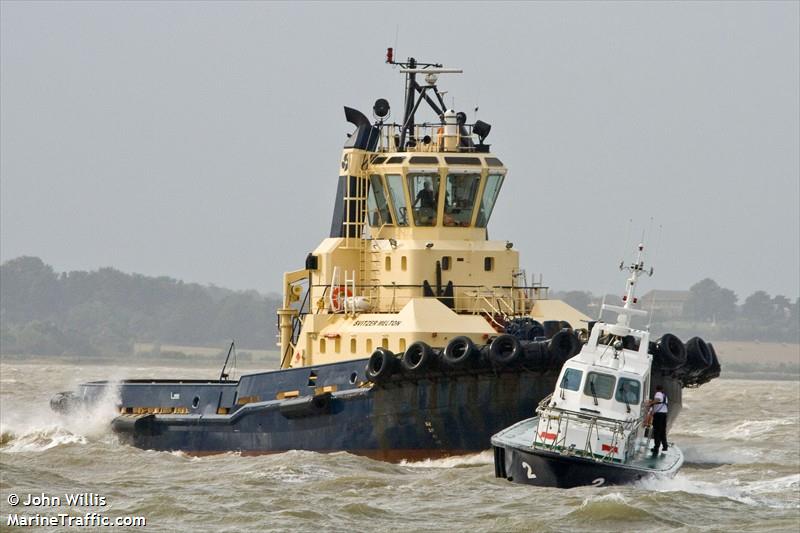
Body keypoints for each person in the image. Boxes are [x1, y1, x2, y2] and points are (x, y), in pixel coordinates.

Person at [647, 384, 669, 455]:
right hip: (664, 415)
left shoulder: (658, 393)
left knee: (657, 431)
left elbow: (657, 400)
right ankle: (665, 446)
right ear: (662, 389)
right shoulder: (665, 396)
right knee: (663, 431)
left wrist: (650, 403)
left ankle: (656, 448)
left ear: (656, 389)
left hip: (659, 415)